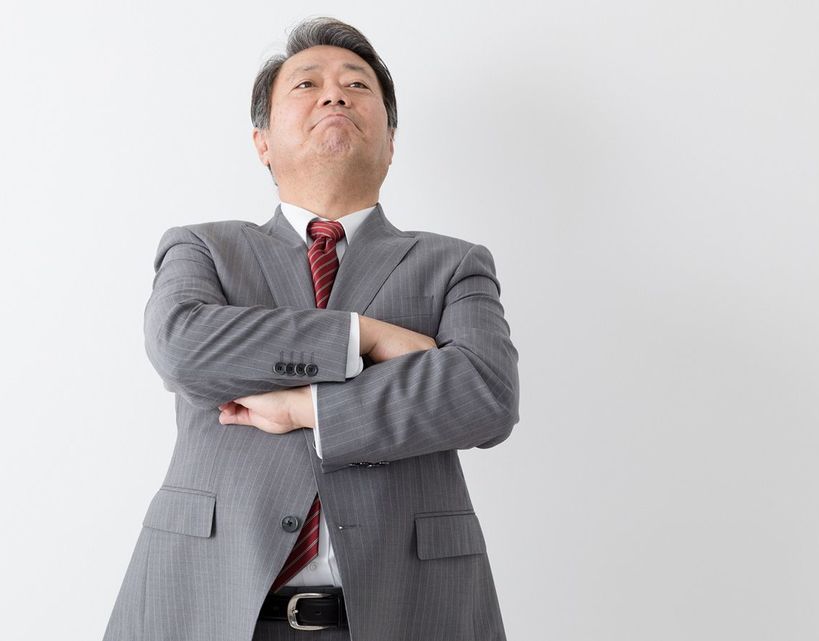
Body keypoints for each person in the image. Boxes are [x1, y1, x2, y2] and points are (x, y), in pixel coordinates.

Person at [102, 17, 519, 641]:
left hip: (409, 610)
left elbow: (485, 395)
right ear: (262, 142)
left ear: (391, 141)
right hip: (208, 604)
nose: (334, 96)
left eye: (357, 85)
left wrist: (308, 408)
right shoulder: (203, 248)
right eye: (306, 84)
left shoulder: (454, 263)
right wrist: (361, 337)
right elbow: (182, 345)